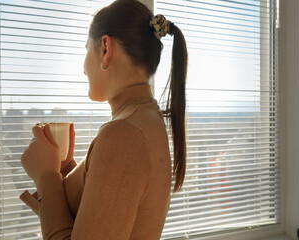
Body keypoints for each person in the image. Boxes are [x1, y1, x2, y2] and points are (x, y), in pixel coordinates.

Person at [20, 0, 188, 239]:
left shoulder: (125, 134)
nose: (84, 68)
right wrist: (64, 169)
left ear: (105, 49)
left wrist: (46, 177)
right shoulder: (144, 120)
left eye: (86, 48)